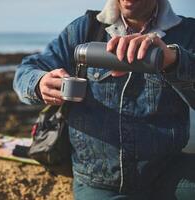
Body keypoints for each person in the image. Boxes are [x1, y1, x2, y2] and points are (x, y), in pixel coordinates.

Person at [13, 0, 195, 199]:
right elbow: (26, 71)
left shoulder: (188, 33)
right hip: (99, 181)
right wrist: (39, 83)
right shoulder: (86, 28)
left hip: (168, 172)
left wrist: (173, 60)